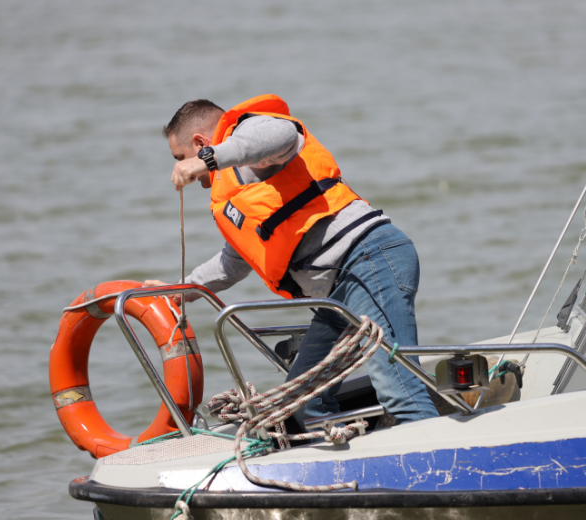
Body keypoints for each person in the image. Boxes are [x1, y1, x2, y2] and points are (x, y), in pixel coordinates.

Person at [145, 94, 438, 430]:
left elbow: (281, 135)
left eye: (180, 158)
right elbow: (233, 262)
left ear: (200, 143)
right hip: (339, 291)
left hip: (369, 261)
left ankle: (446, 474)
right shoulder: (236, 183)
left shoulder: (247, 136)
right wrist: (182, 289)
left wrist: (206, 160)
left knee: (401, 392)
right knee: (305, 402)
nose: (186, 172)